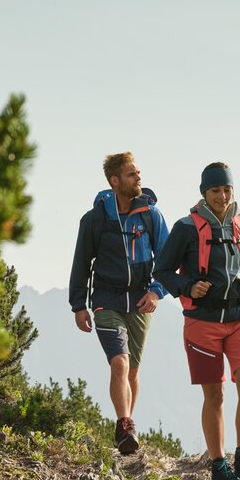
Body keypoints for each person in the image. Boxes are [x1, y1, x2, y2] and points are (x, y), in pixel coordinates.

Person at [155, 162, 240, 480]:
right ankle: (219, 467)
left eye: (227, 189)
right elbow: (162, 271)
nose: (223, 195)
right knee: (214, 394)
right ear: (204, 192)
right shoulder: (186, 228)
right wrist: (188, 287)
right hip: (202, 322)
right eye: (216, 190)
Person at [68, 152, 170, 456]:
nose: (138, 178)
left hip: (140, 301)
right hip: (106, 300)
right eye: (131, 174)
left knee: (132, 371)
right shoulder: (95, 219)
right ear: (115, 181)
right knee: (120, 363)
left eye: (138, 173)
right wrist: (78, 305)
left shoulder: (151, 215)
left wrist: (156, 291)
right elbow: (81, 263)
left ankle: (127, 429)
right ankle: (124, 424)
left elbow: (167, 259)